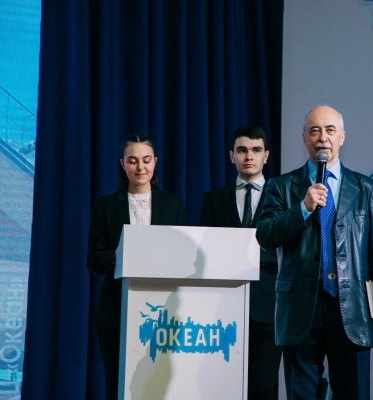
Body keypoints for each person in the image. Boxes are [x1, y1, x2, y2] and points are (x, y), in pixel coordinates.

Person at [255, 105, 373, 400]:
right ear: (304, 138)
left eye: (330, 130)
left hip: (351, 306)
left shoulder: (366, 188)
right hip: (300, 308)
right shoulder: (281, 186)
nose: (323, 138)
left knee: (354, 392)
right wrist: (303, 208)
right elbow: (265, 236)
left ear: (342, 137)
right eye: (315, 130)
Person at [87, 135, 189, 400]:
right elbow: (93, 259)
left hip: (163, 312)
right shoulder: (105, 205)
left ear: (155, 162)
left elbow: (185, 256)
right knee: (117, 387)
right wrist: (117, 255)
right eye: (132, 161)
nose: (140, 167)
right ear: (123, 164)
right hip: (116, 311)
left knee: (159, 389)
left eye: (146, 160)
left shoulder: (174, 204)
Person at [199, 126, 282, 399]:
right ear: (231, 156)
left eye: (256, 150)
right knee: (222, 386)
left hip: (268, 305)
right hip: (222, 306)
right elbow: (204, 252)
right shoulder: (213, 199)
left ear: (266, 156)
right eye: (242, 150)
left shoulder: (282, 196)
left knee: (264, 387)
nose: (249, 156)